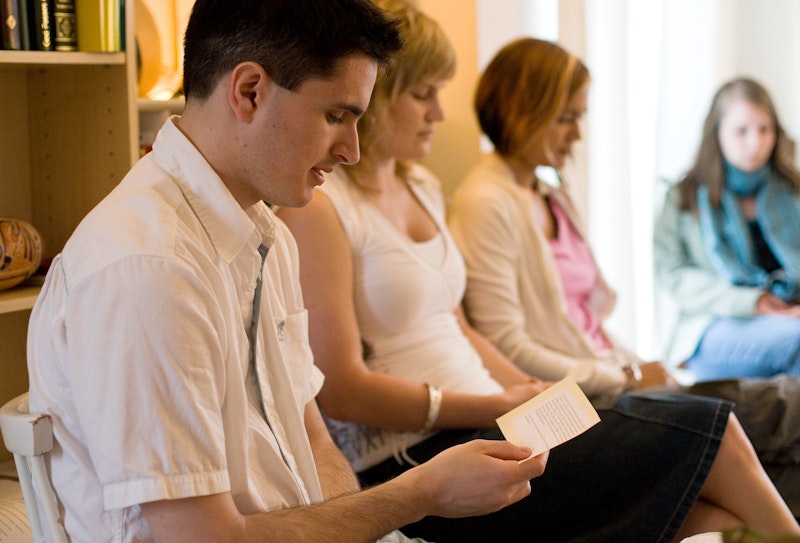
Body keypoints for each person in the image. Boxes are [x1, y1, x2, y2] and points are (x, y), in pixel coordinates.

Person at [23, 2, 552, 541]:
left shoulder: (267, 236)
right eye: (336, 116)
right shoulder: (147, 270)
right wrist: (421, 493)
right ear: (249, 91)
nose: (351, 150)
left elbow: (315, 443)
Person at [277, 12, 800, 540]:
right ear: (380, 95)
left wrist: (526, 390)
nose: (439, 112)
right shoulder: (324, 206)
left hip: (493, 417)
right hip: (424, 448)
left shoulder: (424, 187)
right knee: (721, 432)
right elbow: (342, 391)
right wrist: (501, 403)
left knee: (722, 512)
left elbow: (462, 328)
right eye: (425, 94)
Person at [446, 37, 800, 519]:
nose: (577, 134)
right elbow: (510, 346)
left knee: (786, 435)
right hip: (590, 397)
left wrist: (639, 366)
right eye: (568, 117)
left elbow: (585, 324)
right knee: (778, 414)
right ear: (525, 111)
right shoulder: (486, 202)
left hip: (611, 378)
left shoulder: (549, 194)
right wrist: (628, 375)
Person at [653, 77, 800, 381]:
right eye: (741, 131)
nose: (755, 143)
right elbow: (674, 277)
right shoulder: (683, 197)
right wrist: (753, 302)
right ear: (717, 133)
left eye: (764, 129)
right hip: (715, 322)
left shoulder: (792, 189)